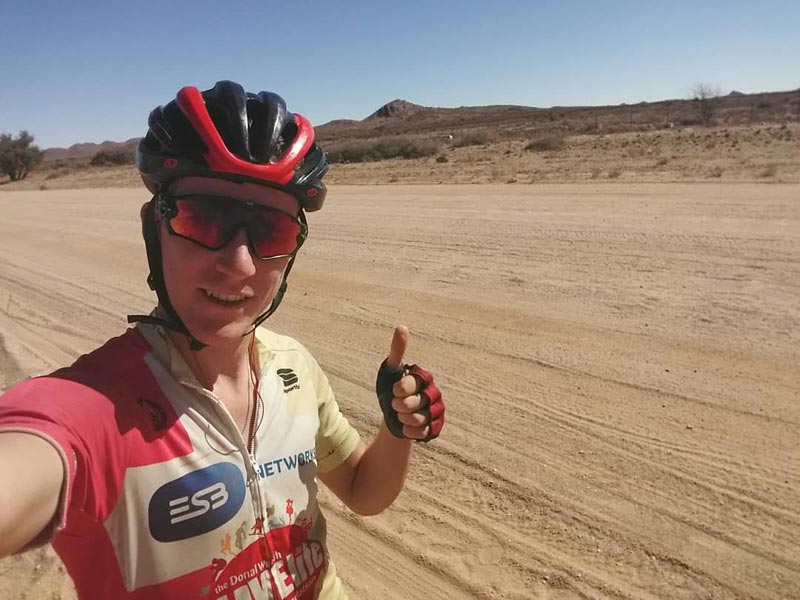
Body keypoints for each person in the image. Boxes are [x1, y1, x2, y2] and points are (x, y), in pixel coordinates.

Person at [0, 80, 445, 599]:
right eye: (204, 218)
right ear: (153, 227)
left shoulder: (294, 366)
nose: (239, 264)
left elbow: (365, 493)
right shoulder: (97, 403)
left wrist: (397, 430)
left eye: (272, 232)